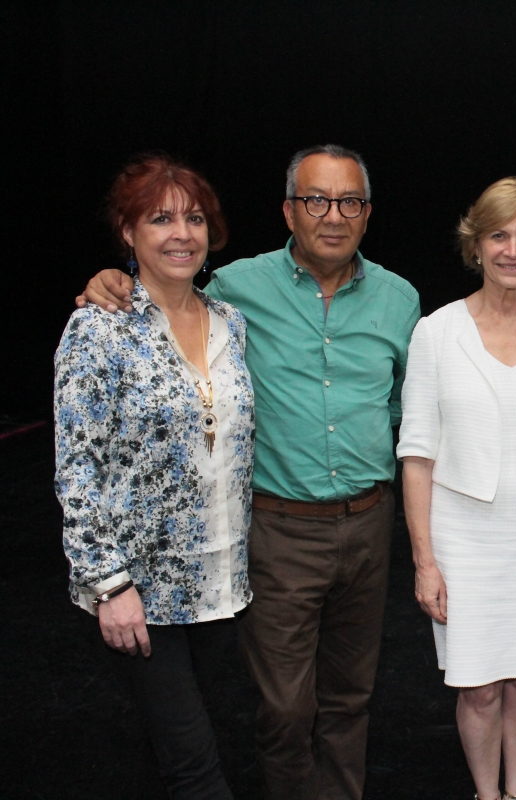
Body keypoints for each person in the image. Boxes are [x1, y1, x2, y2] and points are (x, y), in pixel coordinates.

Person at [77, 144, 421, 800]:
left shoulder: (401, 300)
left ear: (368, 214)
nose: (333, 215)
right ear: (289, 211)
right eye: (316, 199)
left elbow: (404, 407)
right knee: (286, 709)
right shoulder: (234, 290)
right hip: (278, 530)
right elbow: (161, 290)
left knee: (351, 698)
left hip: (370, 526)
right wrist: (111, 277)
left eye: (350, 201)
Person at [55, 154, 253, 799]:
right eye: (160, 218)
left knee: (199, 750)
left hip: (224, 588)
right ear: (127, 231)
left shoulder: (231, 323)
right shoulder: (97, 329)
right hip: (144, 596)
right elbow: (76, 466)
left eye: (194, 218)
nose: (181, 233)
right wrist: (108, 584)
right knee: (194, 768)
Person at [396, 177, 516, 800]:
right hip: (461, 537)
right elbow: (417, 456)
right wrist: (425, 561)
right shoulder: (436, 331)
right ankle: (486, 794)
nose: (513, 249)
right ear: (475, 244)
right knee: (478, 686)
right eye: (499, 235)